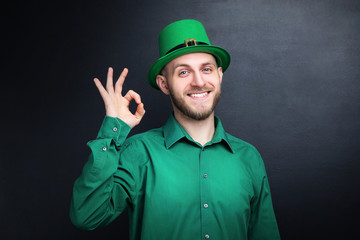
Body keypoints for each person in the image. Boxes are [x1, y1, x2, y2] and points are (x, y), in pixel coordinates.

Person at [70, 19, 281, 240]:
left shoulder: (248, 158)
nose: (198, 81)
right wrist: (113, 129)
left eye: (206, 69)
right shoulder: (138, 152)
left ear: (219, 75)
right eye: (183, 72)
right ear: (164, 84)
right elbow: (86, 216)